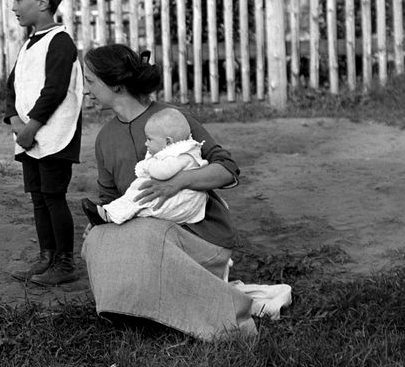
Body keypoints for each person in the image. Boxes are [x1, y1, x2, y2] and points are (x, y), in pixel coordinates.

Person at [78, 44, 289, 340]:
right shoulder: (105, 138)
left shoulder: (170, 119)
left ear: (116, 84)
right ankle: (130, 311)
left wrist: (177, 182)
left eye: (89, 81)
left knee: (147, 236)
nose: (85, 89)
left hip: (197, 232)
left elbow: (228, 169)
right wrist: (100, 220)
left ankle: (222, 316)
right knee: (96, 240)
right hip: (146, 228)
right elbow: (110, 199)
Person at [1, 0, 83, 287]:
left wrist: (31, 127)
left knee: (53, 196)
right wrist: (15, 121)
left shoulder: (60, 43)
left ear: (43, 1)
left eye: (19, 0)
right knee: (38, 198)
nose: (14, 7)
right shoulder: (28, 45)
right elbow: (13, 86)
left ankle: (65, 263)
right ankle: (46, 257)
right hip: (27, 135)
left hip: (53, 136)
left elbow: (55, 91)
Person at [81, 107, 209, 226]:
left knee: (140, 198)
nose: (146, 143)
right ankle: (111, 213)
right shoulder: (179, 151)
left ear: (168, 141)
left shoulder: (183, 155)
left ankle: (112, 216)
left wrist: (148, 165)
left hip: (180, 203)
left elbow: (163, 172)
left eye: (149, 139)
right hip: (176, 199)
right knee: (138, 193)